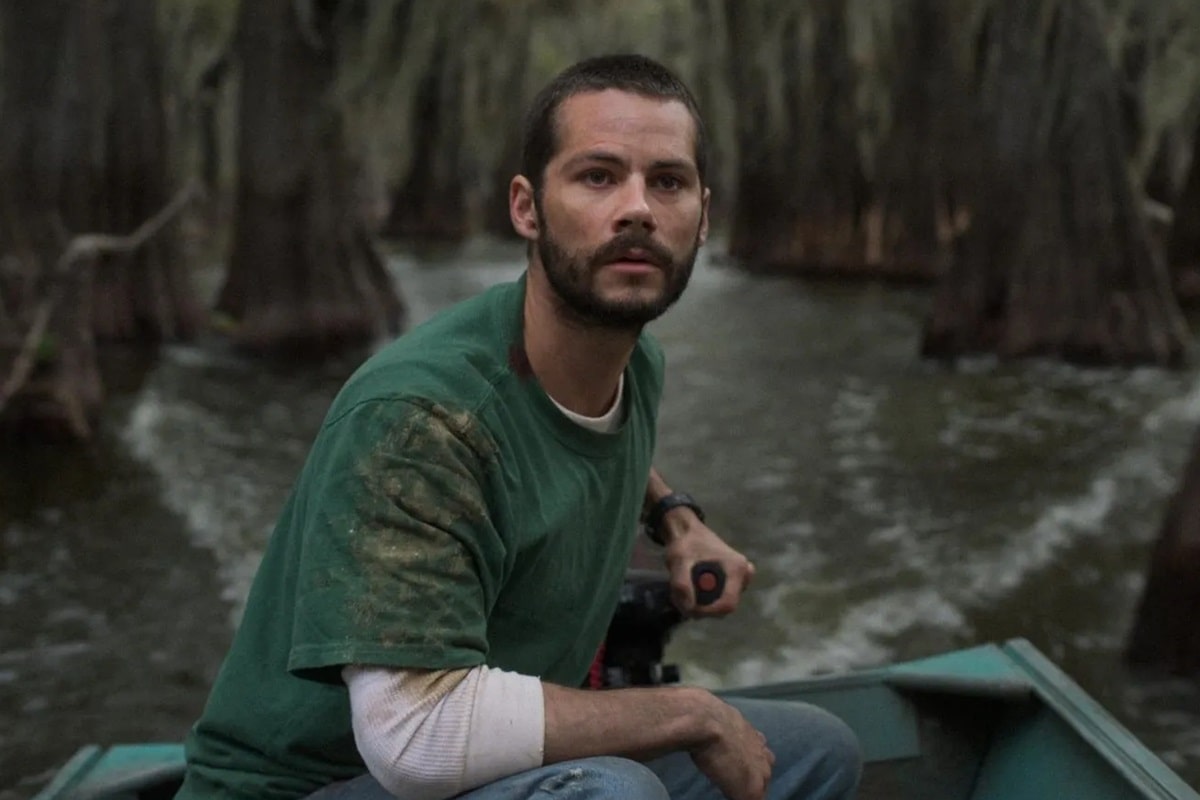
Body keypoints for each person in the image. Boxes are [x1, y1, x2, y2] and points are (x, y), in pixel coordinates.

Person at [176, 54, 861, 800]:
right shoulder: (418, 419)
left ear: (702, 218)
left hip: (486, 768)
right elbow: (416, 738)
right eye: (598, 177)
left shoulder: (635, 367)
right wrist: (689, 712)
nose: (636, 208)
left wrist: (674, 516)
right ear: (527, 208)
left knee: (815, 750)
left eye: (666, 182)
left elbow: (573, 435)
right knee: (609, 794)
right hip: (315, 784)